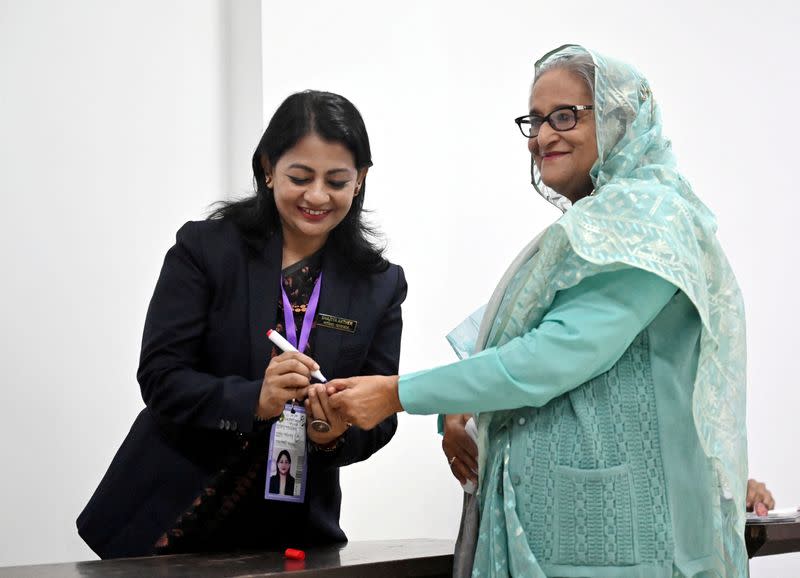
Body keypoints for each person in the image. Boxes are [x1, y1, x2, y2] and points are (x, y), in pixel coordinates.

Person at [328, 45, 748, 577]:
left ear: (621, 118)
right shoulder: (599, 226)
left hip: (616, 538)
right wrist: (451, 409)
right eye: (536, 119)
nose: (542, 136)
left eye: (566, 115)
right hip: (571, 534)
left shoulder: (648, 220)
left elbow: (552, 354)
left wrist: (396, 394)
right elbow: (503, 330)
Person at [77, 90, 407, 558]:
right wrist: (254, 398)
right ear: (268, 168)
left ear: (360, 182)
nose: (317, 196)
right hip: (167, 518)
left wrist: (332, 434)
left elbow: (380, 414)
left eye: (336, 180)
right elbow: (161, 377)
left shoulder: (379, 285)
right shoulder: (206, 250)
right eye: (300, 176)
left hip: (290, 534)